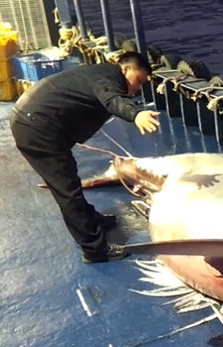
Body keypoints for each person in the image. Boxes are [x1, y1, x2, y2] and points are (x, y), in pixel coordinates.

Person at [10, 51, 160, 263]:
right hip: (37, 126)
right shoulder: (108, 78)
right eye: (138, 80)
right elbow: (112, 99)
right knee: (67, 190)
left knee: (68, 179)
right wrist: (136, 114)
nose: (137, 88)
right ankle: (95, 251)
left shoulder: (99, 73)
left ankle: (90, 219)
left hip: (39, 122)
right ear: (125, 69)